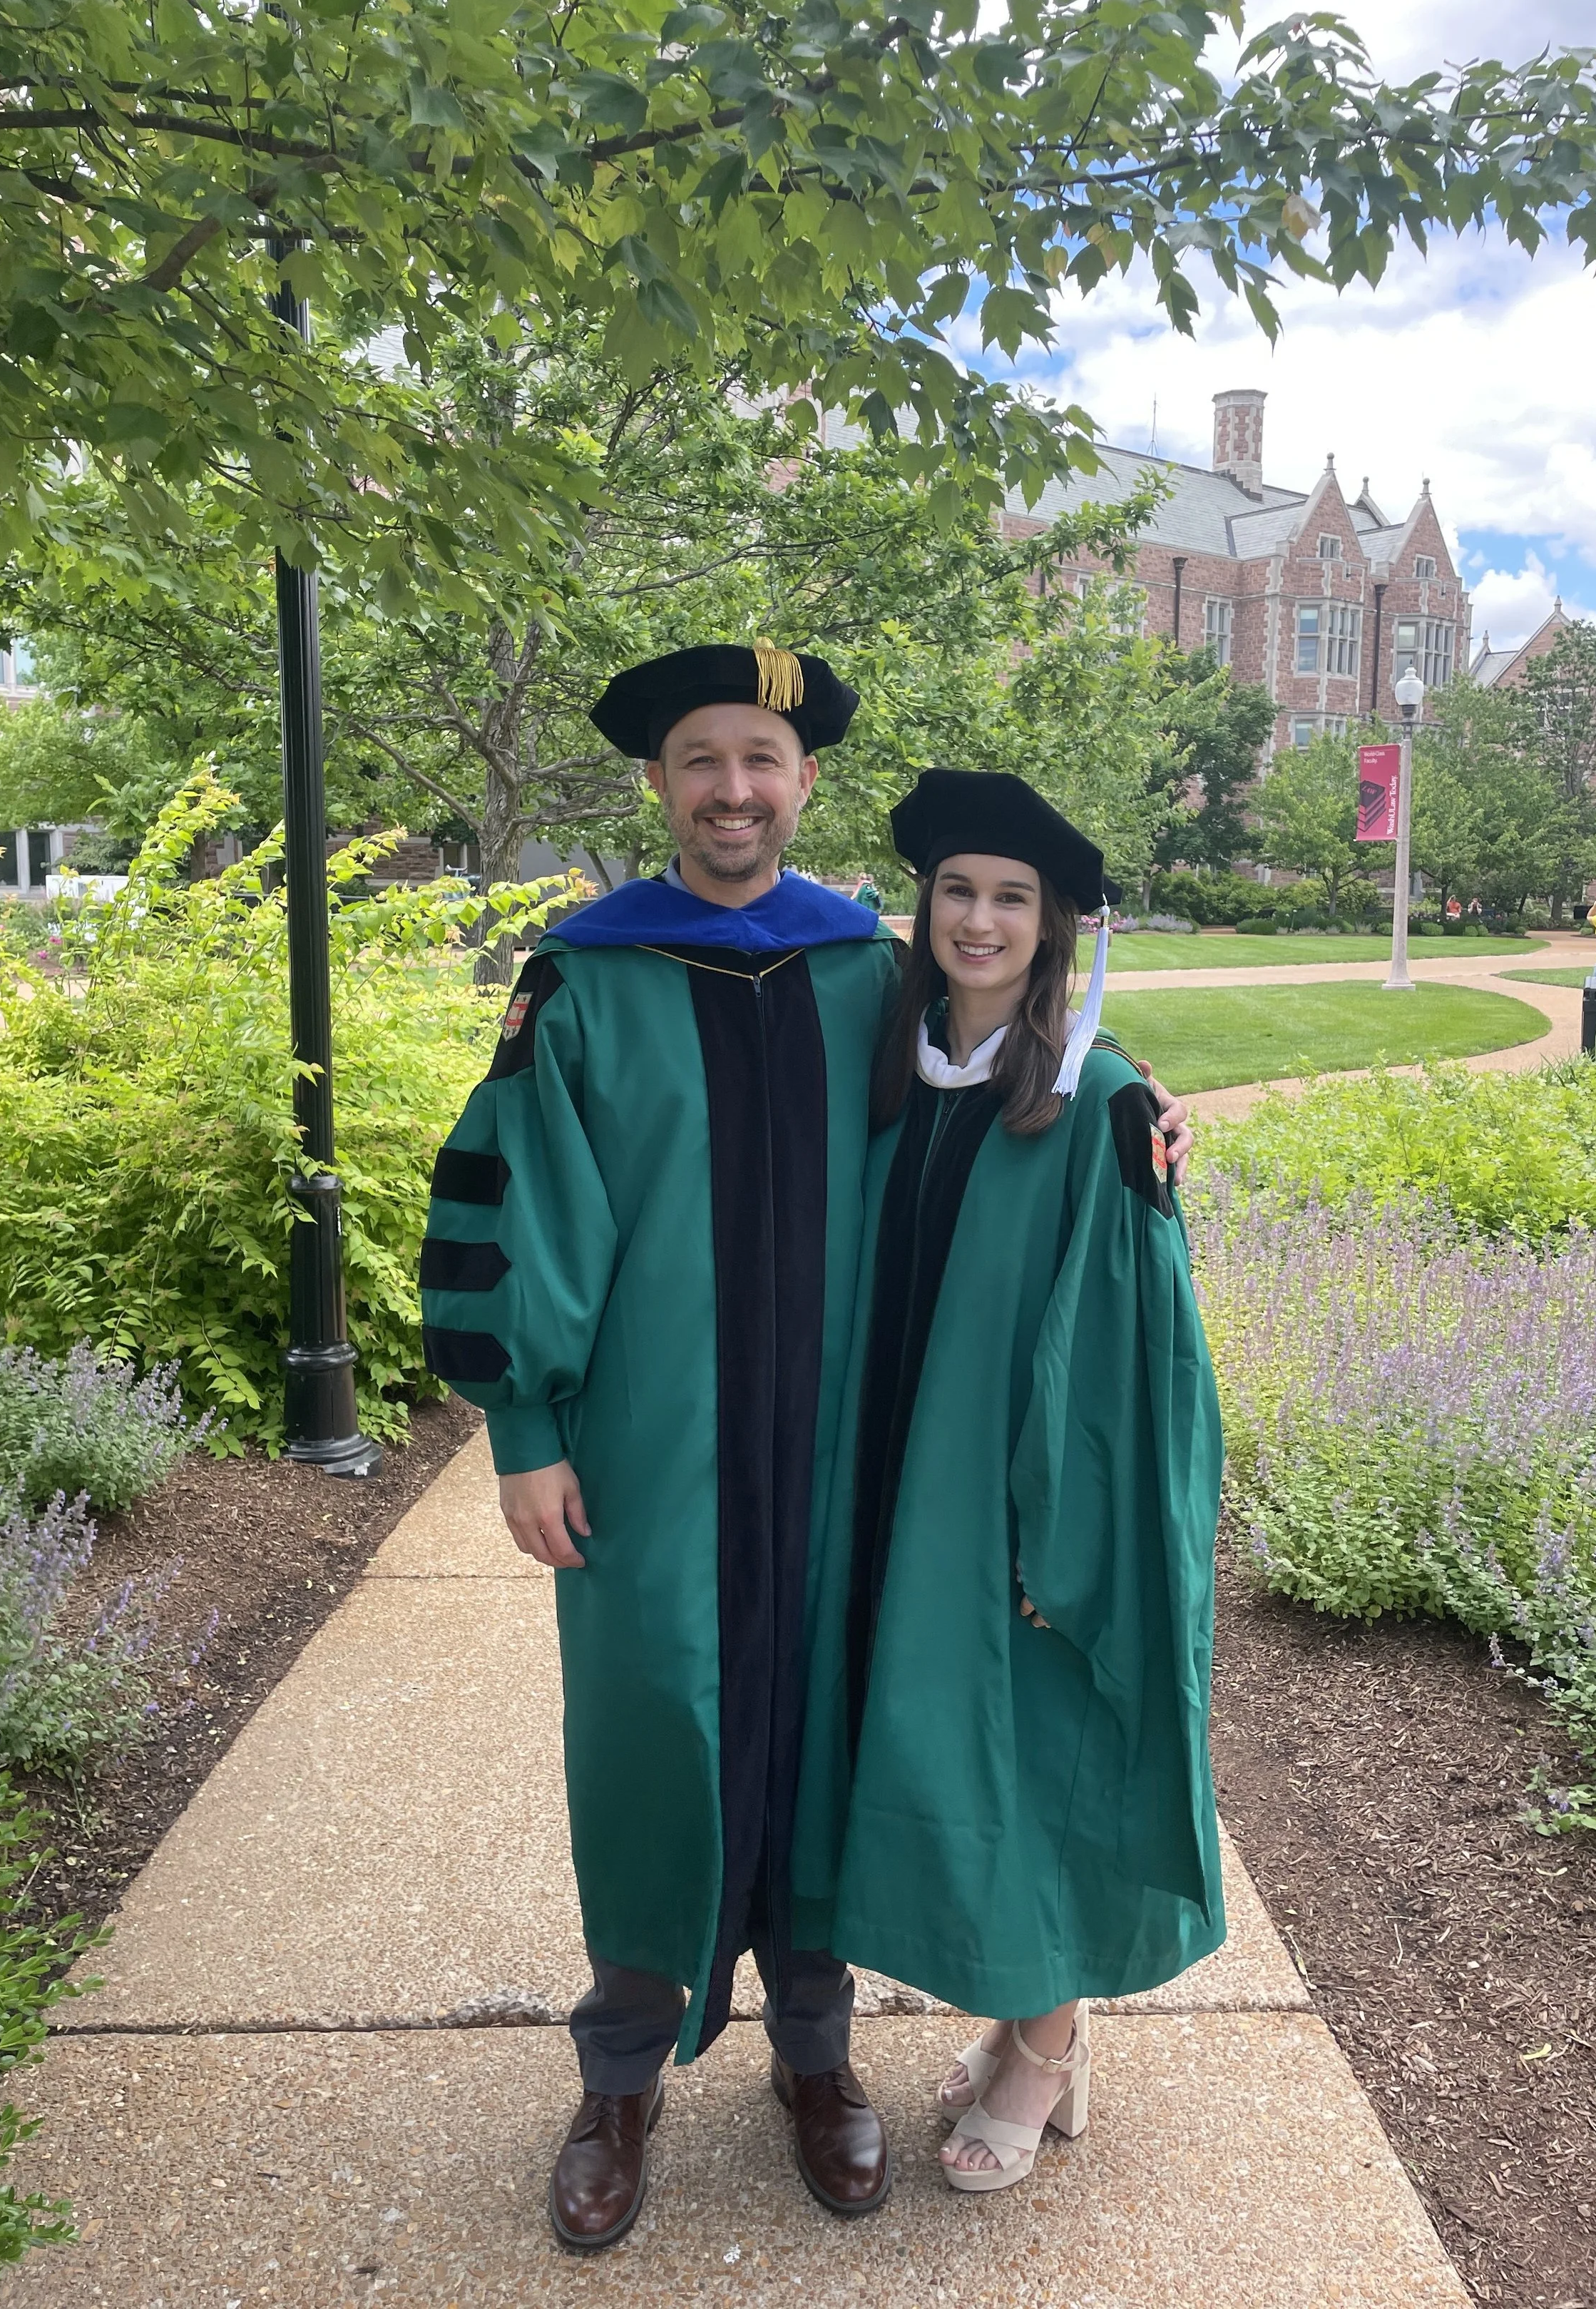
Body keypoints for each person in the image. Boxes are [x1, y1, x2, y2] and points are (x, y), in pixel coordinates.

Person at [418, 653, 1198, 2248]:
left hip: (852, 1469)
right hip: (653, 1464)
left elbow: (1009, 1096)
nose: (731, 789)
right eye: (699, 761)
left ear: (804, 782)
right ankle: (620, 2070)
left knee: (826, 1740)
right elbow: (515, 1211)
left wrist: (1137, 1106)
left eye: (759, 759)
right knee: (651, 1742)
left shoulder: (867, 975)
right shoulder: (587, 980)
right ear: (659, 787)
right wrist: (527, 1428)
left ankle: (817, 2057)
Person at [794, 770, 1224, 2198]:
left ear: (1052, 931)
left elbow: (1130, 1353)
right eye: (957, 891)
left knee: (1031, 1752)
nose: (979, 919)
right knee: (956, 1751)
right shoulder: (892, 1059)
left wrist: (1073, 1531)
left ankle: (1039, 2048)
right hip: (898, 1477)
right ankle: (1035, 2018)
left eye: (1012, 899)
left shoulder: (1095, 1097)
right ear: (923, 909)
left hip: (1020, 1499)